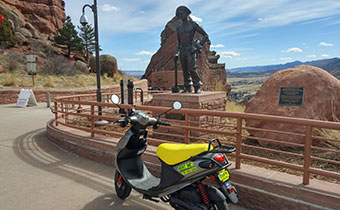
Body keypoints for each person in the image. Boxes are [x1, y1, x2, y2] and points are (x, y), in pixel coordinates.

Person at [174, 6, 208, 94]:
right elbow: (179, 42)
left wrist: (198, 46)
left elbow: (205, 35)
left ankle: (197, 86)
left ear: (187, 14)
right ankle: (187, 86)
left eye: (182, 13)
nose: (181, 15)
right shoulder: (179, 27)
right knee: (185, 69)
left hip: (191, 48)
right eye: (179, 14)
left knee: (191, 68)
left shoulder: (193, 24)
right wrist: (176, 53)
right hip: (183, 50)